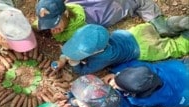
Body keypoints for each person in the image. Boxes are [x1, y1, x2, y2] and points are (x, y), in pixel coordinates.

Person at [52, 23, 189, 75]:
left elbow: (85, 70)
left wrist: (75, 63)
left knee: (172, 47)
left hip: (144, 49)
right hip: (136, 32)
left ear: (96, 52)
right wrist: (63, 58)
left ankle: (186, 38)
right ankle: (176, 24)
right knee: (160, 27)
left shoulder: (106, 56)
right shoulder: (87, 36)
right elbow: (74, 47)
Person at [34, 0, 188, 42]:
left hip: (110, 7)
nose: (52, 29)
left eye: (54, 24)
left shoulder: (88, 26)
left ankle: (163, 24)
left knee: (139, 2)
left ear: (66, 14)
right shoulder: (68, 6)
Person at [101, 58, 189, 107]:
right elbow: (132, 64)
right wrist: (115, 74)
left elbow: (127, 103)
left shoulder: (142, 100)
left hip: (183, 94)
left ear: (132, 93)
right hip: (180, 68)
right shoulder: (145, 69)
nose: (113, 84)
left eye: (116, 85)